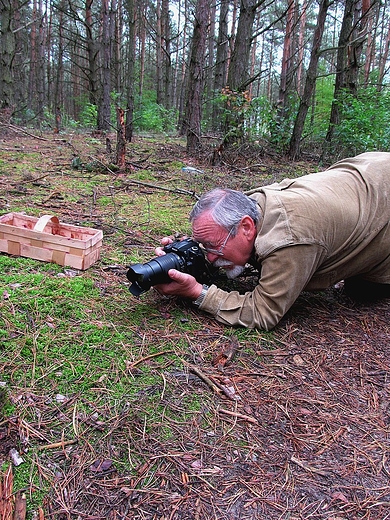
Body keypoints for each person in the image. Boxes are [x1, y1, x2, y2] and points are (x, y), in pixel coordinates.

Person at [154, 152, 390, 330]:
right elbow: (218, 239)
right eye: (207, 247)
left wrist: (196, 292)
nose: (211, 256)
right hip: (361, 173)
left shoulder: (289, 238)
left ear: (246, 227)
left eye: (214, 247)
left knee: (362, 292)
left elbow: (263, 313)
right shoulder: (250, 206)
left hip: (383, 192)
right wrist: (187, 256)